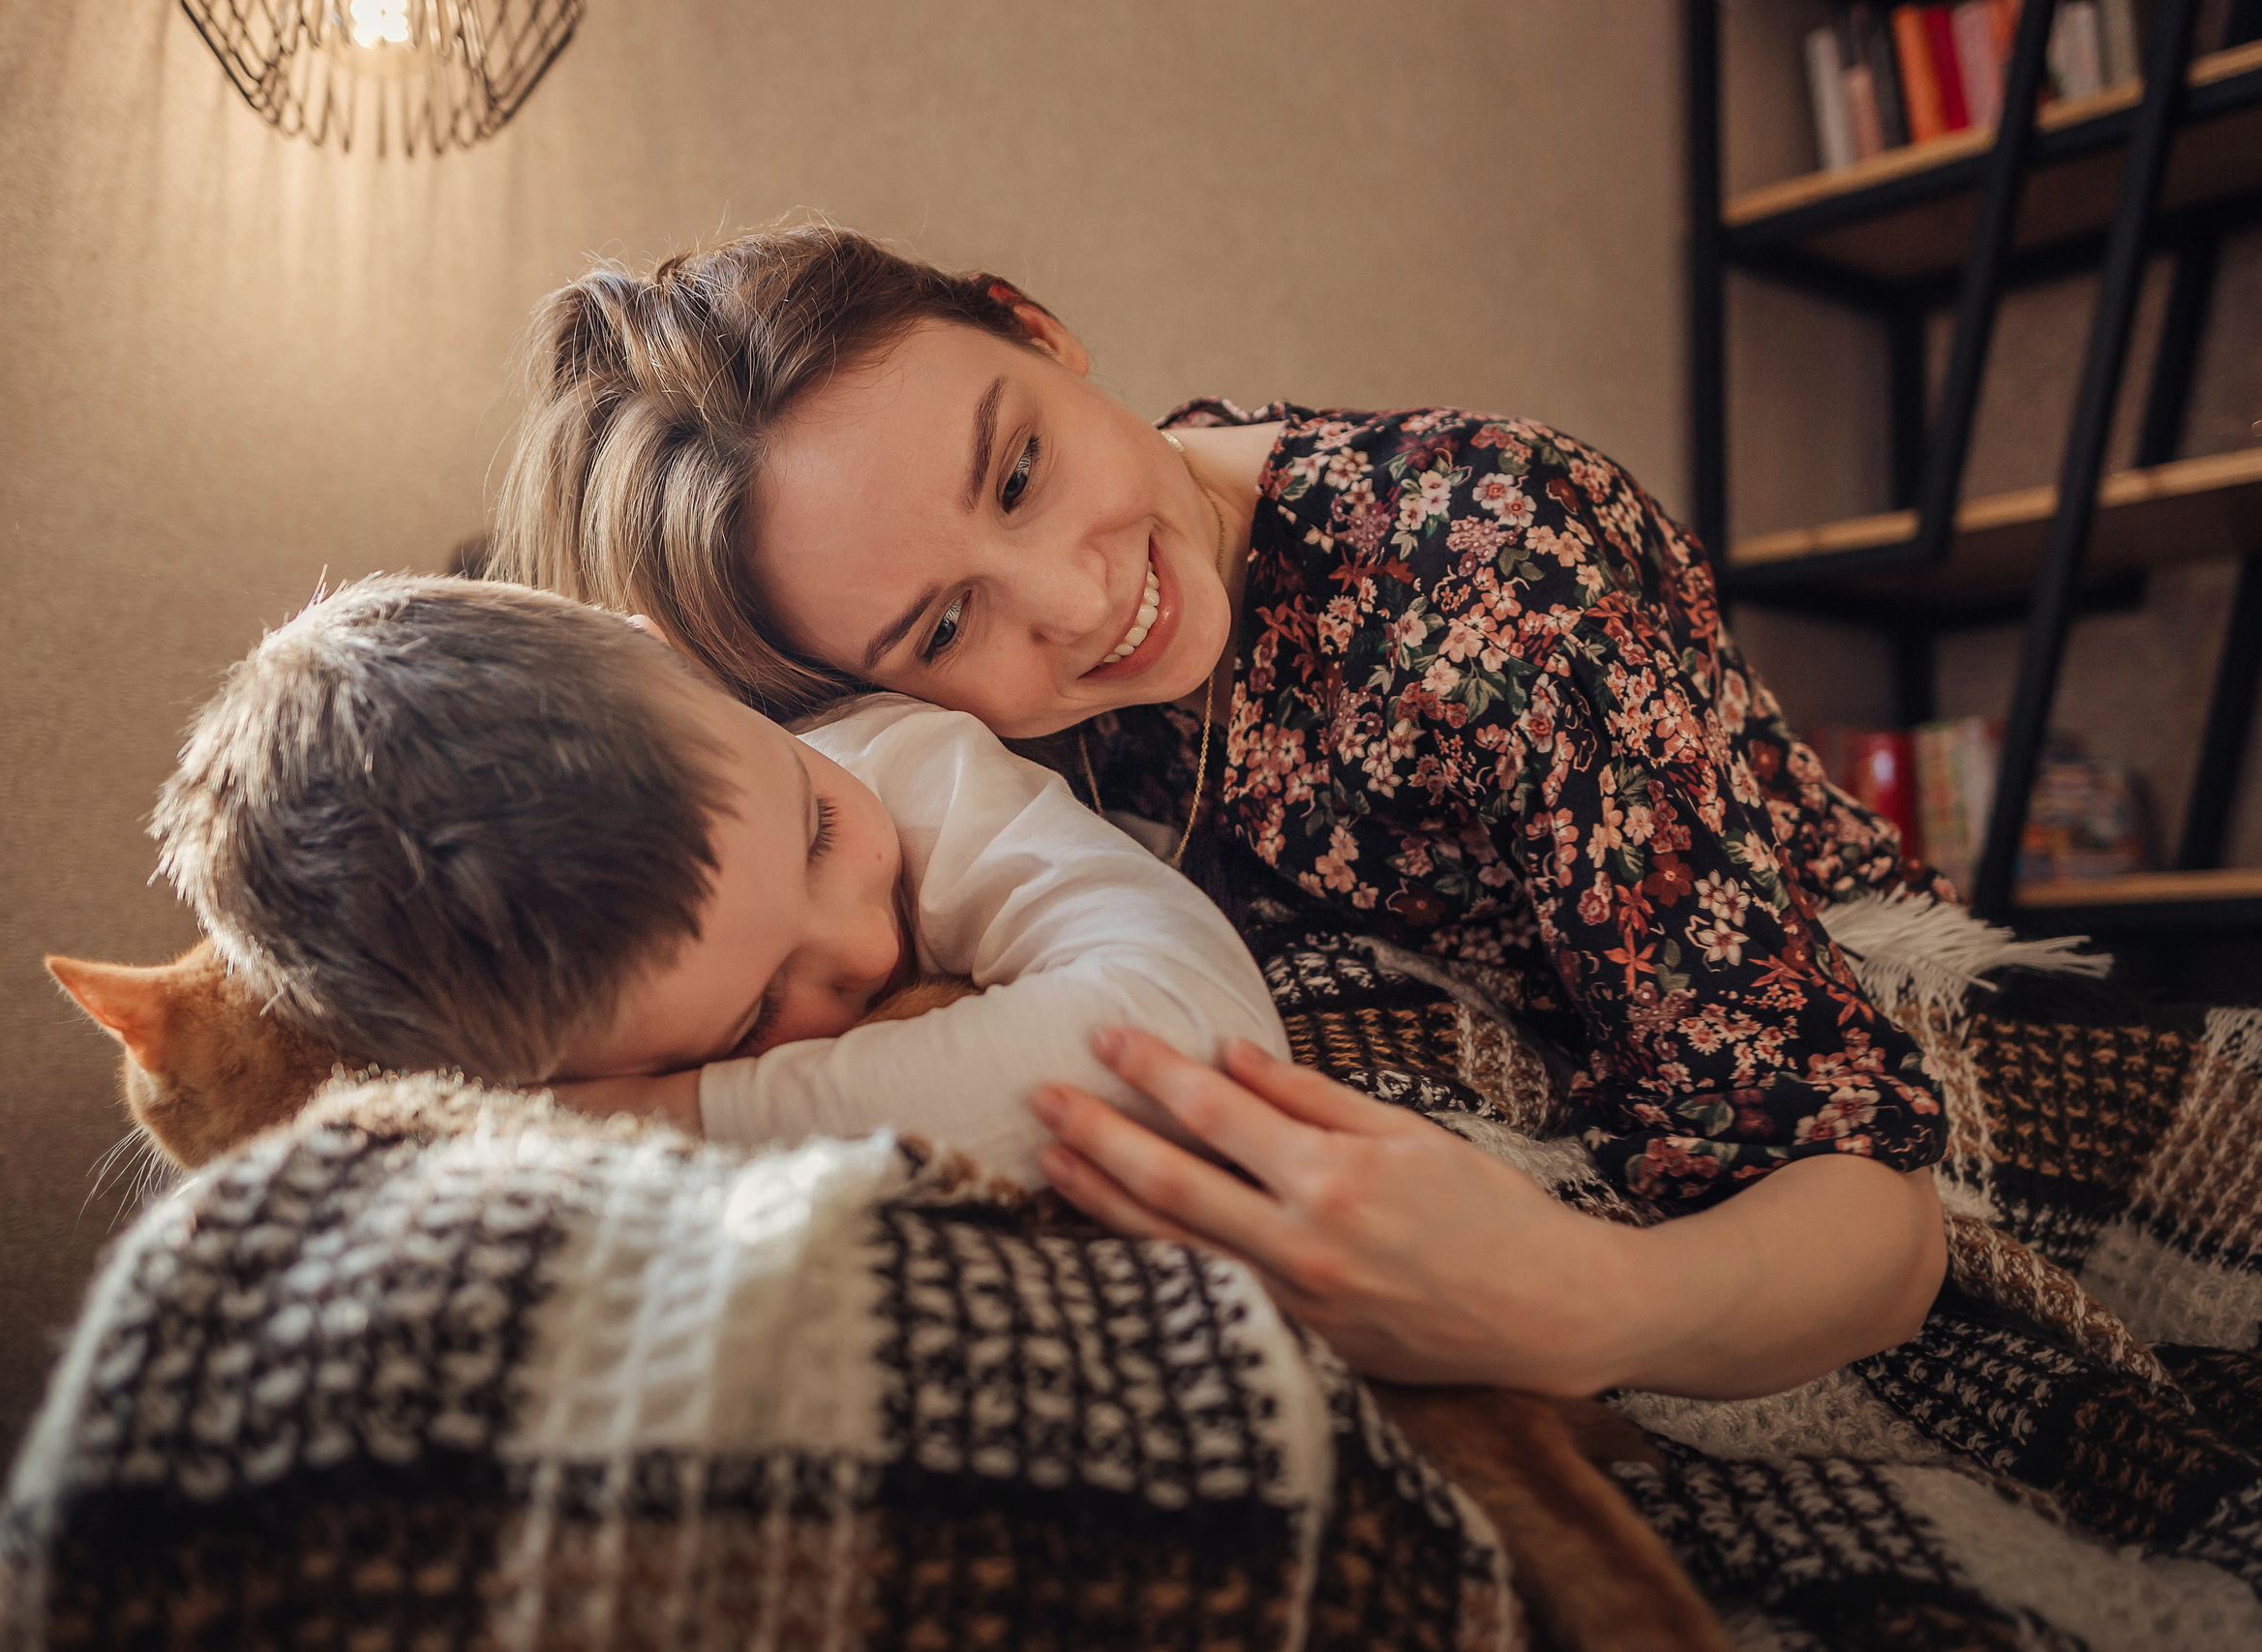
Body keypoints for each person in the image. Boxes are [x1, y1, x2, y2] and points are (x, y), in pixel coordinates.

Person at [491, 225, 1952, 1400]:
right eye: (946, 627)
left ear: (1038, 326)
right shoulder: (873, 758)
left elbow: (1880, 1215)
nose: (1077, 600)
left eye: (1021, 468)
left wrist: (1580, 1306)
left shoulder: (1494, 576)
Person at [150, 575, 1284, 1185]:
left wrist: (667, 1111)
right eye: (754, 1016)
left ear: (669, 655)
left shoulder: (899, 766)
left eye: (819, 835)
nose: (865, 948)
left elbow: (1192, 1044)